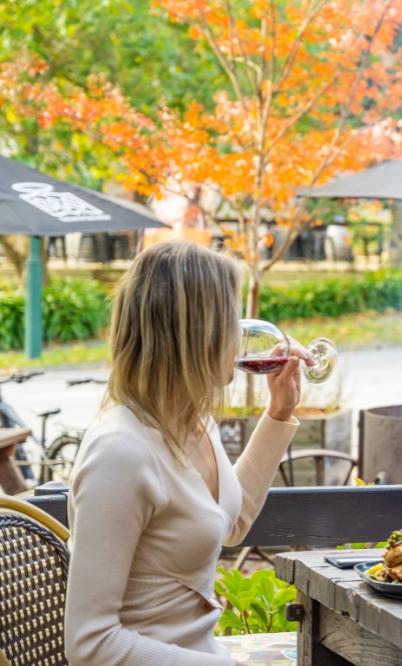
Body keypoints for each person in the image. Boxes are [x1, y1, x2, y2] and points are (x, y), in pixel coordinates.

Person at [65, 241, 312, 666]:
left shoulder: (194, 423)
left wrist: (279, 413)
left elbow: (230, 525)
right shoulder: (120, 453)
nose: (241, 335)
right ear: (192, 332)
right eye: (230, 320)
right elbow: (90, 643)